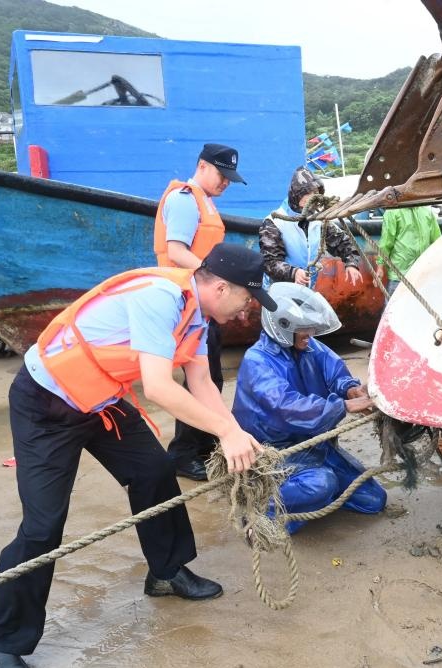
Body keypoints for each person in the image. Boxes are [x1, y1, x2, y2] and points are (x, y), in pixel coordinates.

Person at [0, 244, 276, 668]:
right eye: (248, 299)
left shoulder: (199, 317)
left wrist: (238, 433)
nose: (248, 310)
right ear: (222, 287)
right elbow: (157, 387)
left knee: (155, 470)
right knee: (42, 527)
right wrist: (225, 432)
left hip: (101, 400)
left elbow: (202, 385)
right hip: (48, 403)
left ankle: (166, 572)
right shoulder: (162, 297)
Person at [232, 282, 385, 534]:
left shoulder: (310, 346)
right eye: (305, 328)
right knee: (323, 484)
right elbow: (286, 408)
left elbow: (334, 371)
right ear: (283, 325)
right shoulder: (257, 361)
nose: (311, 333)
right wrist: (343, 405)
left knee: (373, 500)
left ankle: (306, 498)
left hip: (315, 446)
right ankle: (261, 512)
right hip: (275, 455)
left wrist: (349, 388)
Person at [154, 142, 246, 481]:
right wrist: (219, 282)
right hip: (188, 300)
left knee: (212, 378)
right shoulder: (183, 199)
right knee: (199, 380)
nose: (225, 183)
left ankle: (208, 444)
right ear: (203, 166)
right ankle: (184, 453)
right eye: (221, 175)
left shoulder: (204, 202)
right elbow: (176, 251)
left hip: (205, 301)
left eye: (229, 179)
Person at [260, 166, 363, 289]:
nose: (311, 197)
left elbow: (343, 242)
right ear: (296, 194)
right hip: (279, 290)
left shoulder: (318, 220)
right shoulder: (274, 222)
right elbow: (270, 262)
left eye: (315, 193)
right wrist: (294, 273)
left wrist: (351, 263)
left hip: (308, 288)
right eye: (306, 193)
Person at [375, 205, 442, 296]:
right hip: (399, 275)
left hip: (422, 273)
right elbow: (386, 242)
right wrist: (380, 266)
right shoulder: (392, 212)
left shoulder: (427, 212)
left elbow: (437, 241)